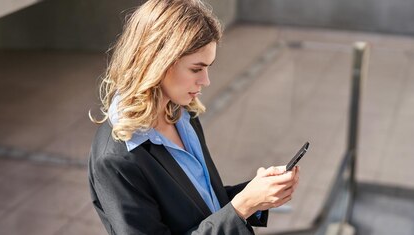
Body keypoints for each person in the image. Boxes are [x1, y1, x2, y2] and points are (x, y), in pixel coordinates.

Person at [87, 0, 300, 234]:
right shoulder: (116, 160)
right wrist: (243, 206)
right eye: (196, 69)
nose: (206, 81)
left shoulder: (183, 113)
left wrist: (258, 194)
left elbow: (202, 203)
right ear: (157, 62)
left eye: (208, 67)